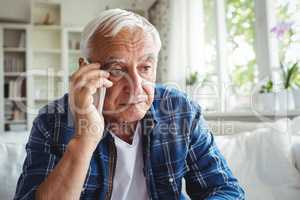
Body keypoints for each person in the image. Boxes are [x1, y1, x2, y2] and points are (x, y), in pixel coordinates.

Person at [14, 9, 244, 200]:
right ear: (86, 68)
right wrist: (85, 139)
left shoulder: (180, 110)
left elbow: (225, 190)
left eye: (145, 68)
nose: (136, 86)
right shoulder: (51, 121)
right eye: (117, 69)